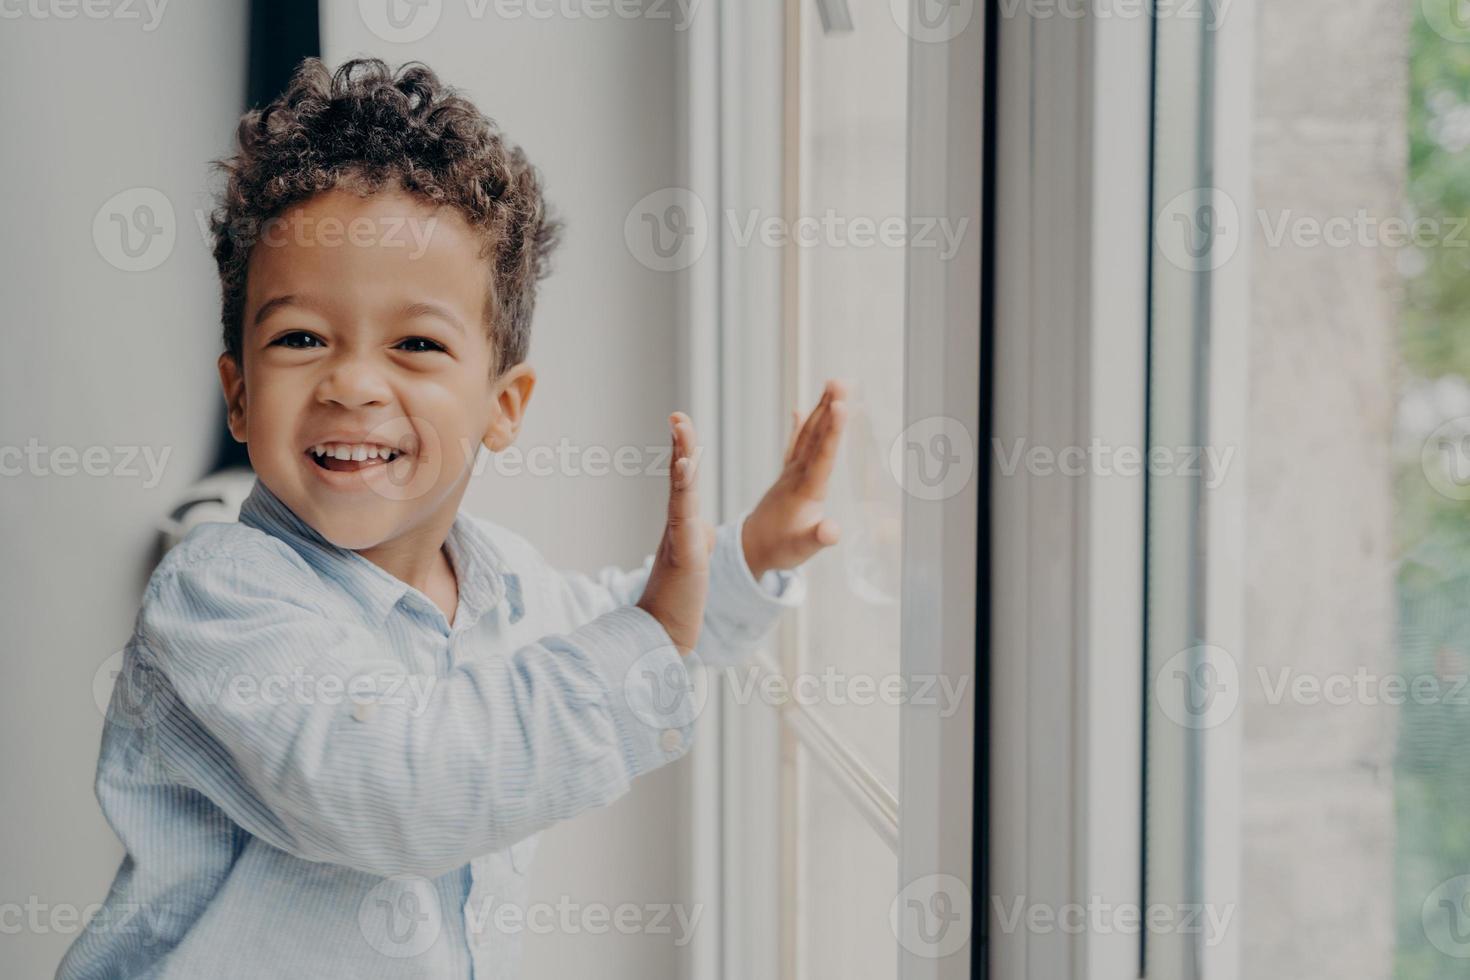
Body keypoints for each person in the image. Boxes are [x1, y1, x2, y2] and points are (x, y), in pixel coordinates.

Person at [57, 57, 848, 979]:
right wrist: (645, 639)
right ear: (238, 395)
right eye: (300, 338)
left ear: (502, 407)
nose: (352, 382)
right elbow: (397, 789)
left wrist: (751, 554)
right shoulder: (218, 599)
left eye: (417, 344)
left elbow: (632, 621)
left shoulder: (505, 584)